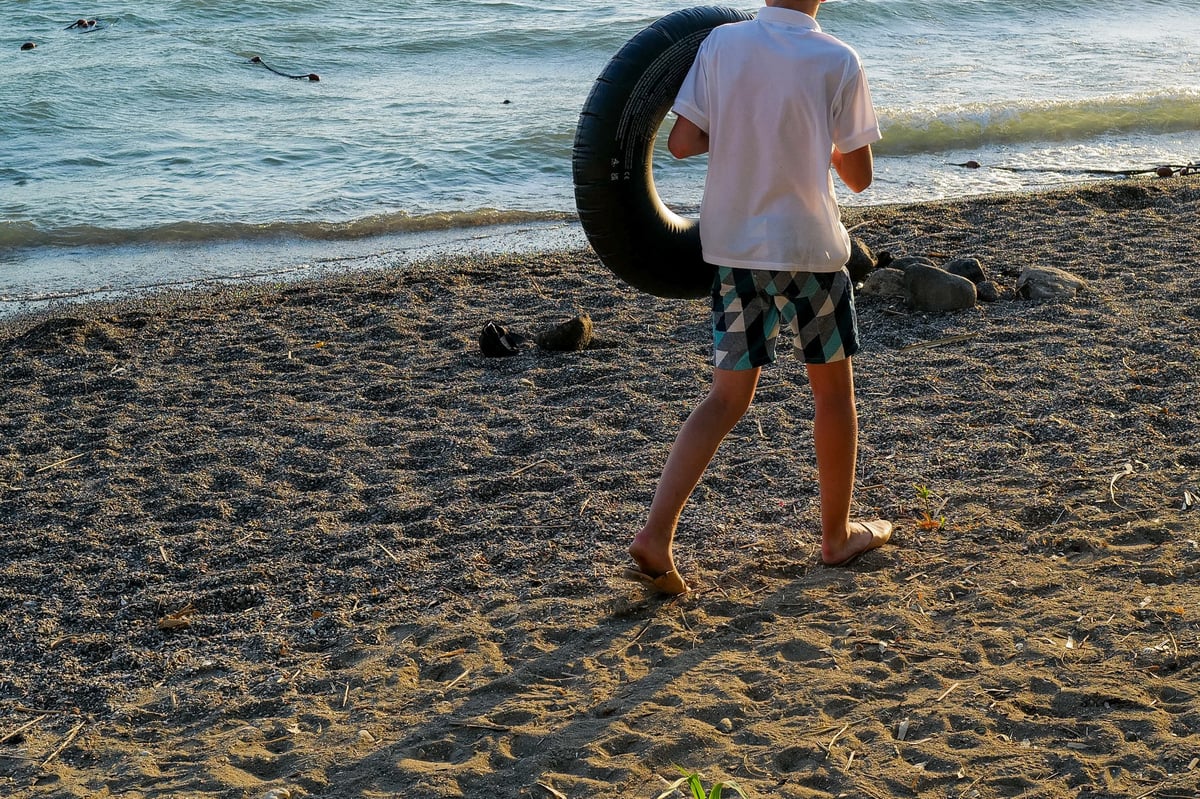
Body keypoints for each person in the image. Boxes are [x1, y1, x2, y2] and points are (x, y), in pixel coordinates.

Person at [623, 0, 892, 596]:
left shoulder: (721, 44)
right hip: (812, 254)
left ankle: (657, 534)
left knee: (725, 399)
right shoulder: (839, 59)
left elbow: (683, 143)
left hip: (736, 253)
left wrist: (746, 131)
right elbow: (859, 176)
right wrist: (809, 141)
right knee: (832, 398)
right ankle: (836, 535)